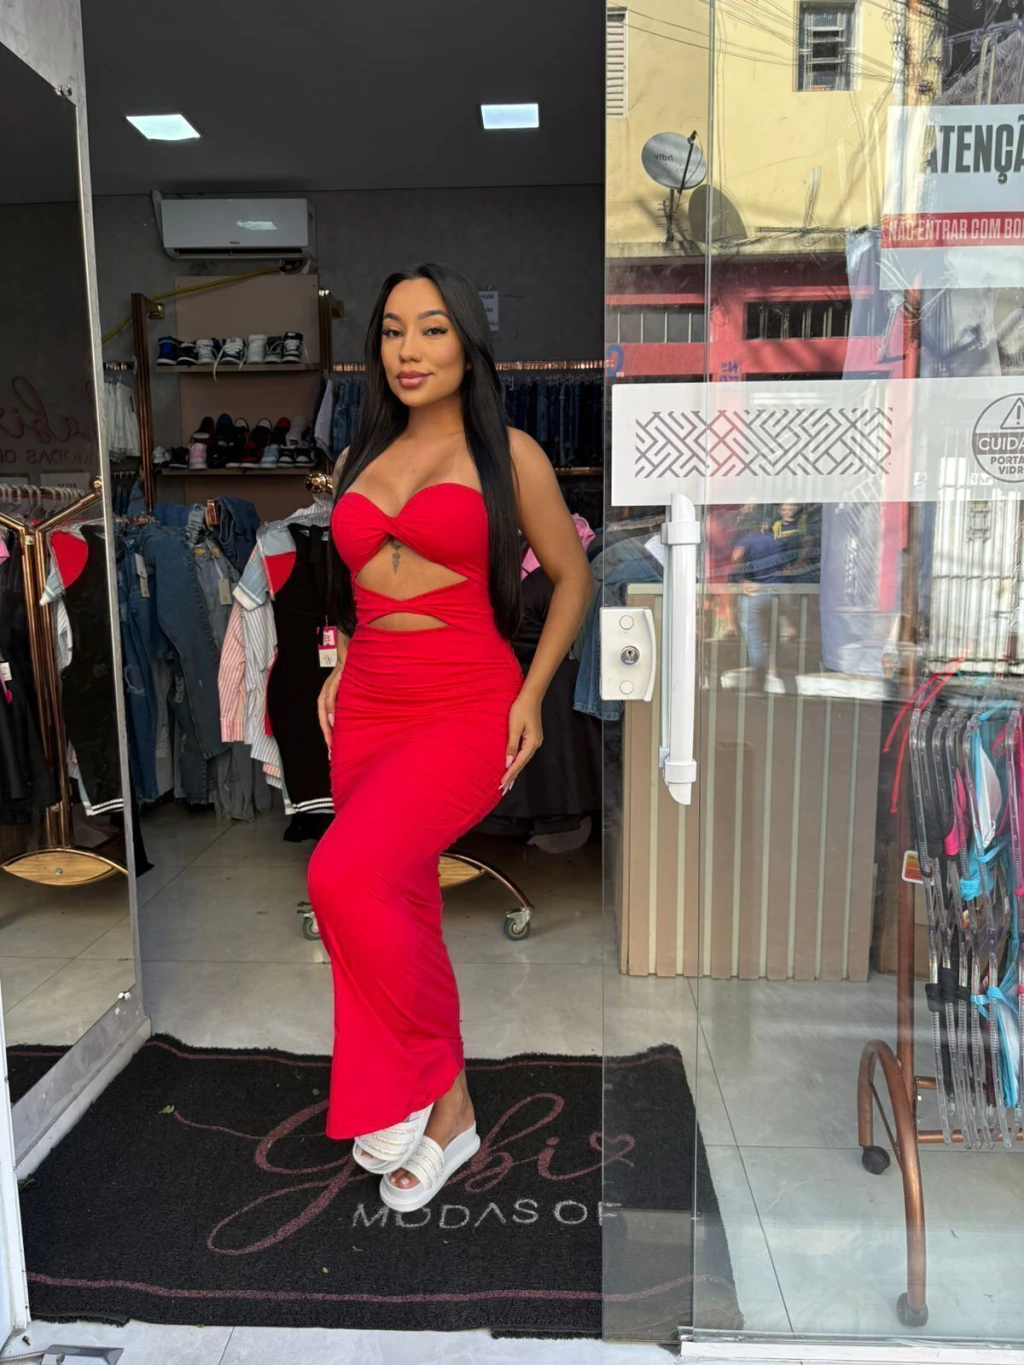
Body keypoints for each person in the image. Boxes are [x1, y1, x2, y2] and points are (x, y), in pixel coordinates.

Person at [307, 263, 593, 1213]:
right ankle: (443, 1107)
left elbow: (573, 577)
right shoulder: (361, 454)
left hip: (467, 699)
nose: (409, 349)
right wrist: (344, 659)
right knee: (397, 895)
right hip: (369, 704)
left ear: (468, 345)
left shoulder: (509, 453)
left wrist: (534, 694)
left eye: (432, 329)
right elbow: (361, 584)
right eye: (393, 331)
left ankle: (427, 1082)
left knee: (341, 875)